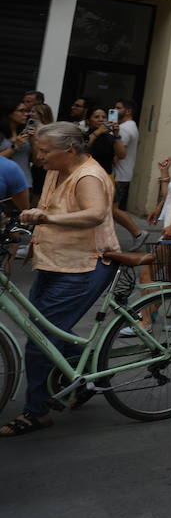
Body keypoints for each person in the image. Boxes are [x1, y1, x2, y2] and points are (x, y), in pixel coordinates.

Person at [0, 123, 119, 437]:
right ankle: (88, 372)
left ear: (69, 150)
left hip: (84, 264)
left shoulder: (88, 175)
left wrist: (47, 217)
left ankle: (36, 412)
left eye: (45, 151)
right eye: (38, 150)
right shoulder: (57, 169)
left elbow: (95, 213)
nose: (39, 157)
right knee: (50, 330)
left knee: (40, 339)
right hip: (55, 260)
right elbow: (48, 204)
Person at [86, 108, 144, 244]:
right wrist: (97, 133)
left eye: (103, 116)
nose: (101, 119)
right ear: (89, 120)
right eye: (96, 117)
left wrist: (117, 134)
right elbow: (83, 149)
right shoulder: (85, 135)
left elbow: (122, 155)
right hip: (89, 177)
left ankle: (105, 240)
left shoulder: (110, 137)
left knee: (108, 211)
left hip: (106, 177)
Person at [110, 99, 140, 213]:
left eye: (118, 108)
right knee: (113, 209)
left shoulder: (124, 129)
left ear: (128, 111)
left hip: (118, 174)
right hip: (122, 174)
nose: (114, 110)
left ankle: (137, 231)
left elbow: (120, 153)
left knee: (113, 209)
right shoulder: (130, 126)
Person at [1, 103, 35, 191]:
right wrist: (15, 146)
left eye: (27, 111)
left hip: (25, 183)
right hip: (4, 185)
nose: (26, 114)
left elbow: (37, 162)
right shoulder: (1, 134)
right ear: (10, 113)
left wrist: (34, 142)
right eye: (21, 111)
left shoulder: (25, 133)